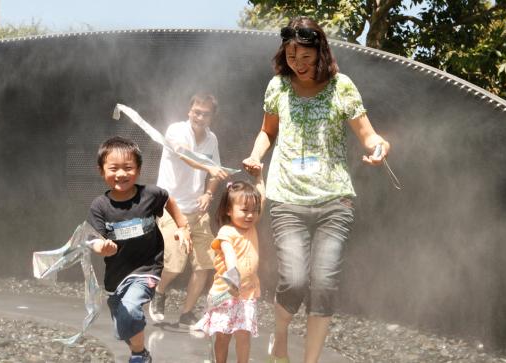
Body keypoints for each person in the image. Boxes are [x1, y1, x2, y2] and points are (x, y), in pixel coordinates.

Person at [242, 17, 391, 363]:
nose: (299, 65)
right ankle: (279, 337)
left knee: (324, 284)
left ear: (321, 52)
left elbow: (369, 135)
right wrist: (255, 154)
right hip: (287, 198)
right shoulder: (277, 87)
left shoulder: (342, 87)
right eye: (292, 58)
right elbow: (268, 131)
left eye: (306, 58)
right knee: (294, 281)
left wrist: (379, 148)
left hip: (334, 199)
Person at [88, 136, 191, 363]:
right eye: (114, 168)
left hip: (147, 268)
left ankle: (137, 356)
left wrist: (183, 227)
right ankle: (142, 352)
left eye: (128, 168)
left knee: (132, 307)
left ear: (139, 169)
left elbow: (168, 200)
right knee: (123, 320)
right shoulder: (100, 206)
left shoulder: (150, 195)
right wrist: (100, 247)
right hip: (117, 275)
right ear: (101, 170)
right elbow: (94, 239)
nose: (121, 174)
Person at [151, 93, 229, 326]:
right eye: (197, 111)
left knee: (206, 264)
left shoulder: (212, 139)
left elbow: (215, 170)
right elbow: (185, 155)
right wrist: (211, 168)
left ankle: (186, 313)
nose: (200, 117)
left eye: (205, 114)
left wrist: (209, 193)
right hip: (171, 208)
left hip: (197, 212)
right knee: (175, 265)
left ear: (212, 117)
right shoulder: (175, 131)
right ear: (189, 111)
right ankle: (159, 292)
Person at [193, 166, 265, 363]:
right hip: (226, 293)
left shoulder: (251, 227)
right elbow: (229, 254)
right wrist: (234, 276)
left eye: (254, 211)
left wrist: (259, 177)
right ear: (228, 210)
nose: (250, 215)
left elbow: (262, 197)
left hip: (247, 294)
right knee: (223, 336)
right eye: (244, 210)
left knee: (244, 335)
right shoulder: (227, 231)